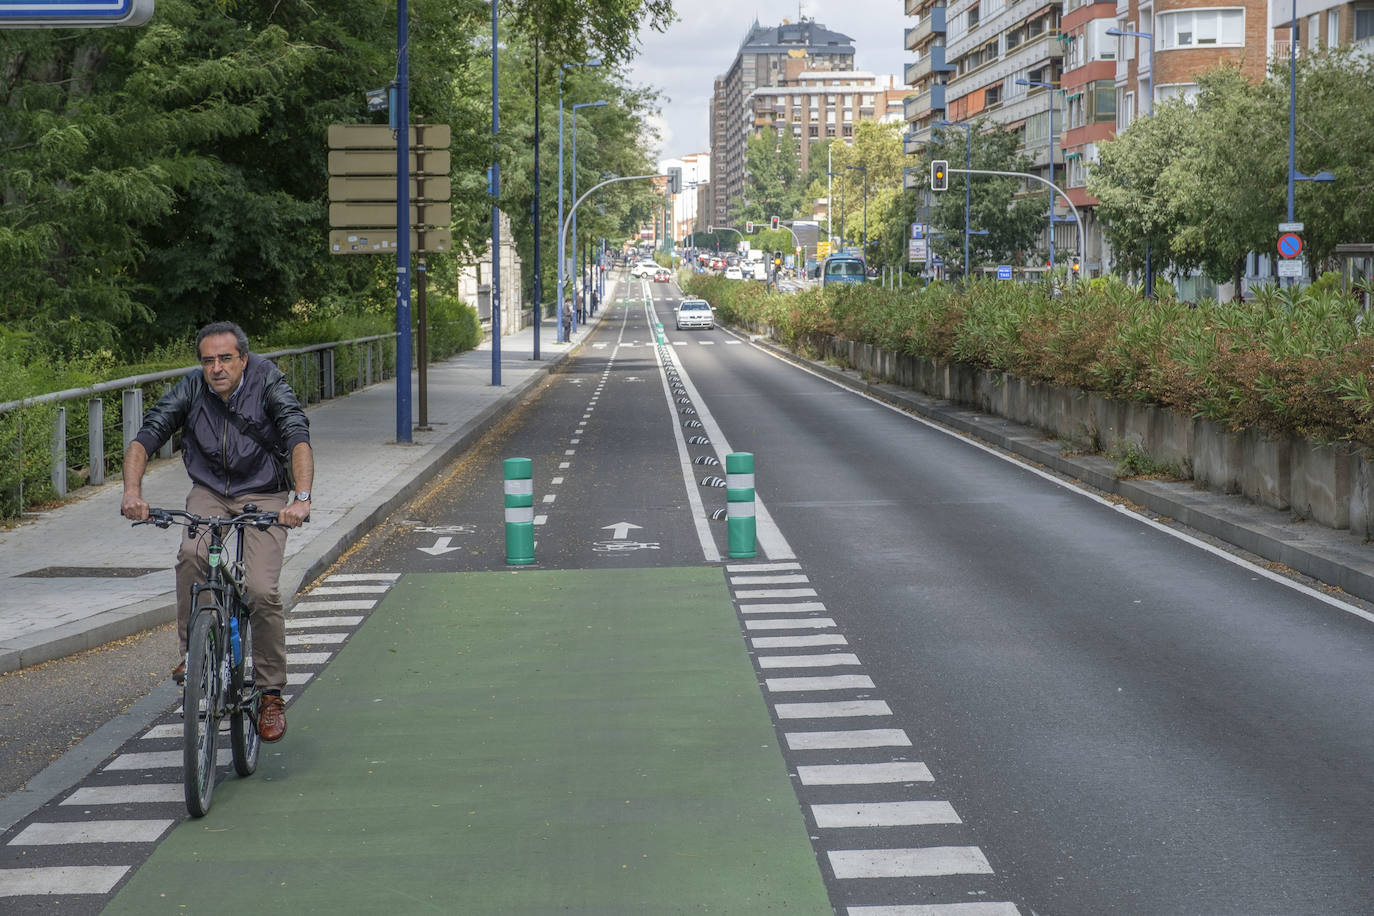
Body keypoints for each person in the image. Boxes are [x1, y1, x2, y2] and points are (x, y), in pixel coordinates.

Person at [121, 321, 313, 743]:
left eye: (226, 358)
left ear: (243, 359)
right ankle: (193, 656)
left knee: (262, 590)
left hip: (264, 493)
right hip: (209, 491)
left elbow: (297, 435)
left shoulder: (268, 382)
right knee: (191, 554)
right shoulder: (191, 389)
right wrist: (132, 492)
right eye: (208, 360)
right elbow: (145, 437)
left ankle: (270, 694)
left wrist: (300, 499)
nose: (216, 368)